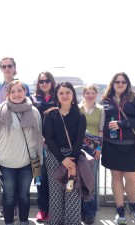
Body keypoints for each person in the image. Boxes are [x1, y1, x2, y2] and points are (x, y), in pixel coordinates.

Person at [0, 80, 43, 225]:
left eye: (19, 90)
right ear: (7, 94)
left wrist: (40, 161)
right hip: (6, 163)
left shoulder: (34, 111)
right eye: (12, 91)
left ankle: (24, 221)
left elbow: (38, 137)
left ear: (25, 92)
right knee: (9, 196)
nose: (16, 94)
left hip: (27, 162)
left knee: (24, 196)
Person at [100, 72, 135, 225]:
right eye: (117, 82)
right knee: (116, 177)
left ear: (127, 84)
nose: (120, 84)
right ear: (112, 84)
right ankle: (119, 208)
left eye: (123, 82)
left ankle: (132, 204)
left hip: (131, 146)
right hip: (111, 145)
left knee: (132, 179)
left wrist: (122, 124)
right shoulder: (105, 100)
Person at [43, 81, 86, 225]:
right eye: (61, 93)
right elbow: (49, 139)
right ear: (57, 96)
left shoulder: (80, 116)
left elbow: (79, 141)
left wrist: (71, 161)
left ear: (73, 95)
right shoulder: (50, 115)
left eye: (68, 92)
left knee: (72, 191)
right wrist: (63, 159)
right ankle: (55, 221)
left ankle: (72, 222)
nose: (65, 95)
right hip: (55, 157)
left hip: (73, 158)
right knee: (55, 192)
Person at [0, 56, 30, 220]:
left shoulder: (22, 85)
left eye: (10, 66)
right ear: (1, 68)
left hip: (22, 142)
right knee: (8, 188)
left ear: (14, 68)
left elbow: (29, 108)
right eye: (4, 66)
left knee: (22, 191)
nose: (7, 69)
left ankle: (20, 215)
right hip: (4, 139)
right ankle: (8, 209)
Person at [30, 71, 57, 222]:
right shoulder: (32, 99)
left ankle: (53, 208)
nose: (44, 83)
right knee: (39, 177)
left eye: (47, 81)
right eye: (41, 81)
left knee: (54, 178)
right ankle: (42, 209)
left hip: (54, 145)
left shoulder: (58, 98)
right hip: (36, 145)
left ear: (52, 82)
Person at [78, 84, 105, 224]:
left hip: (93, 149)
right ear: (83, 94)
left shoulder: (101, 109)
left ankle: (90, 212)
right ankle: (81, 209)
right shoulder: (77, 108)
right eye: (87, 93)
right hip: (79, 148)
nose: (90, 95)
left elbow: (101, 130)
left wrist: (99, 148)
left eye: (92, 93)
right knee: (79, 179)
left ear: (96, 94)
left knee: (91, 180)